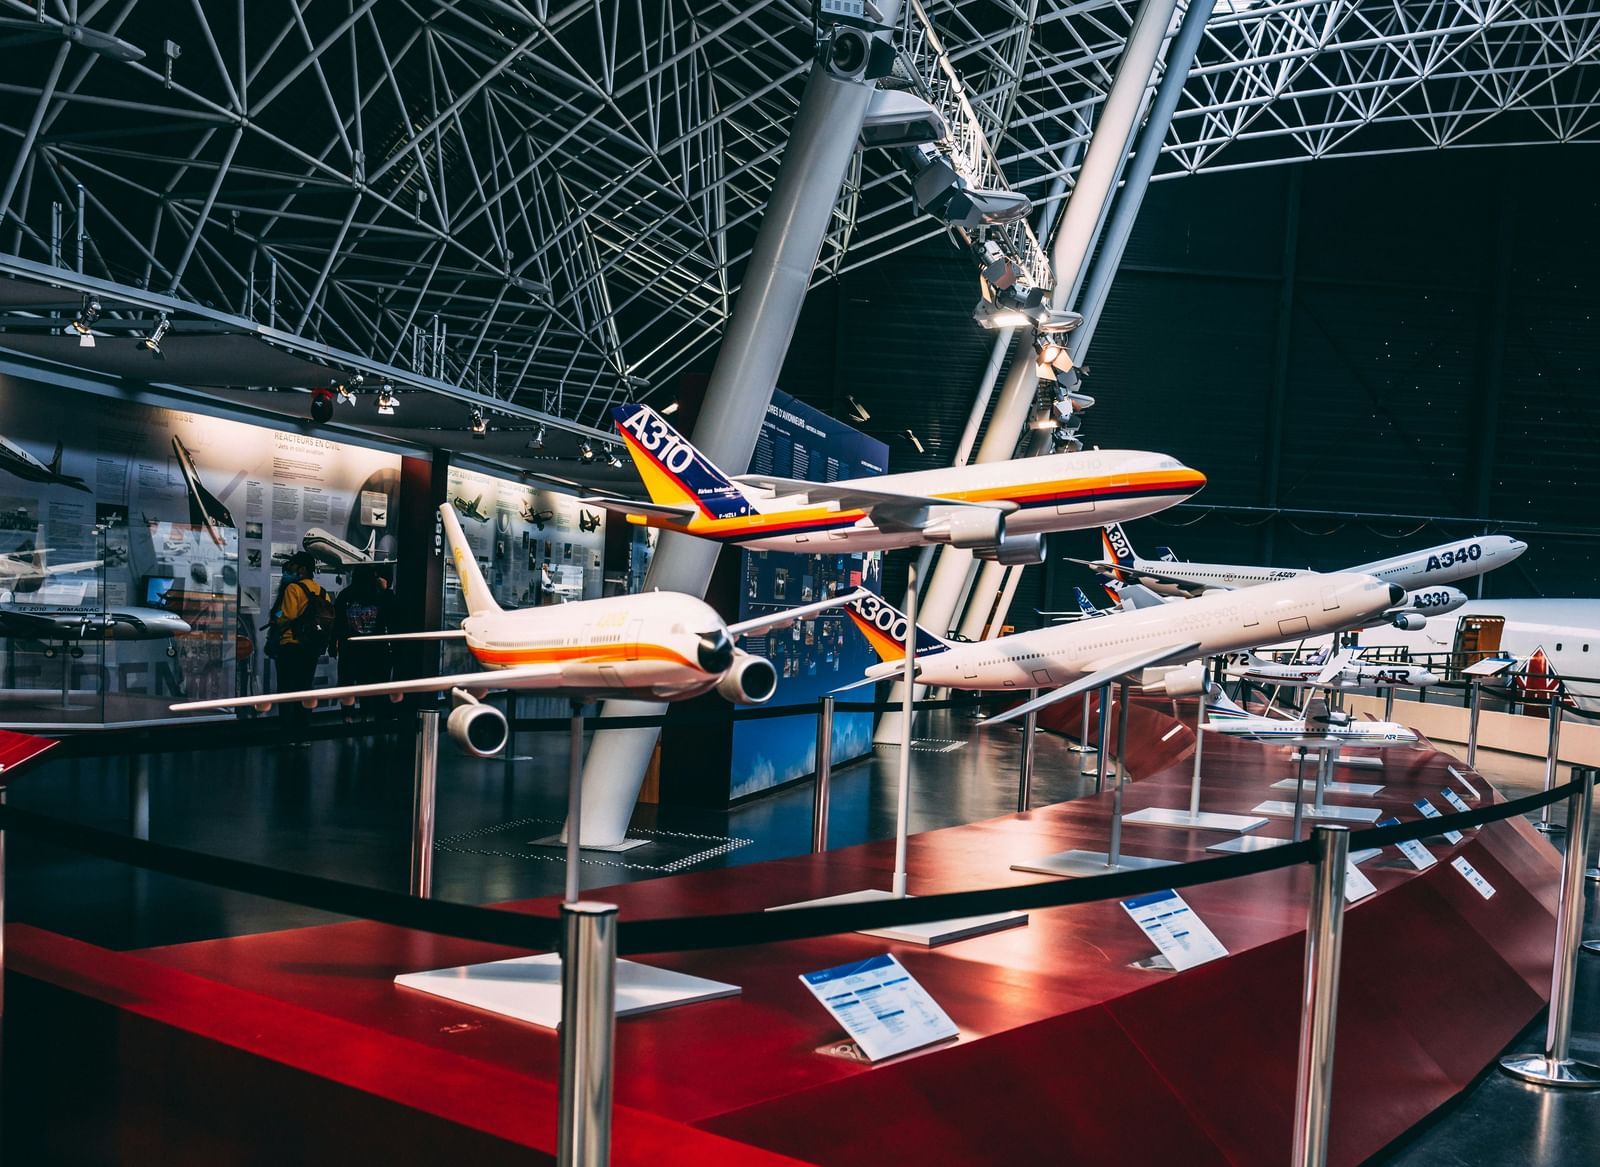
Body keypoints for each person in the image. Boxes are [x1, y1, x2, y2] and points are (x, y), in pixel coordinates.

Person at [267, 551, 332, 735]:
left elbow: (287, 615)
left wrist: (276, 617)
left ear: (302, 569)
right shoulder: (323, 592)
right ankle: (303, 732)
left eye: (294, 566)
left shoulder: (293, 589)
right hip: (311, 647)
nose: (290, 570)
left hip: (291, 644)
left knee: (287, 690)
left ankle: (288, 733)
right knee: (305, 688)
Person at [333, 565, 396, 718]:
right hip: (375, 650)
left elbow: (337, 623)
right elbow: (393, 616)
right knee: (371, 687)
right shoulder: (380, 595)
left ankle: (348, 717)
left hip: (350, 649)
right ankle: (369, 717)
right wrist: (386, 589)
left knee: (347, 686)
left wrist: (332, 644)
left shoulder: (345, 594)